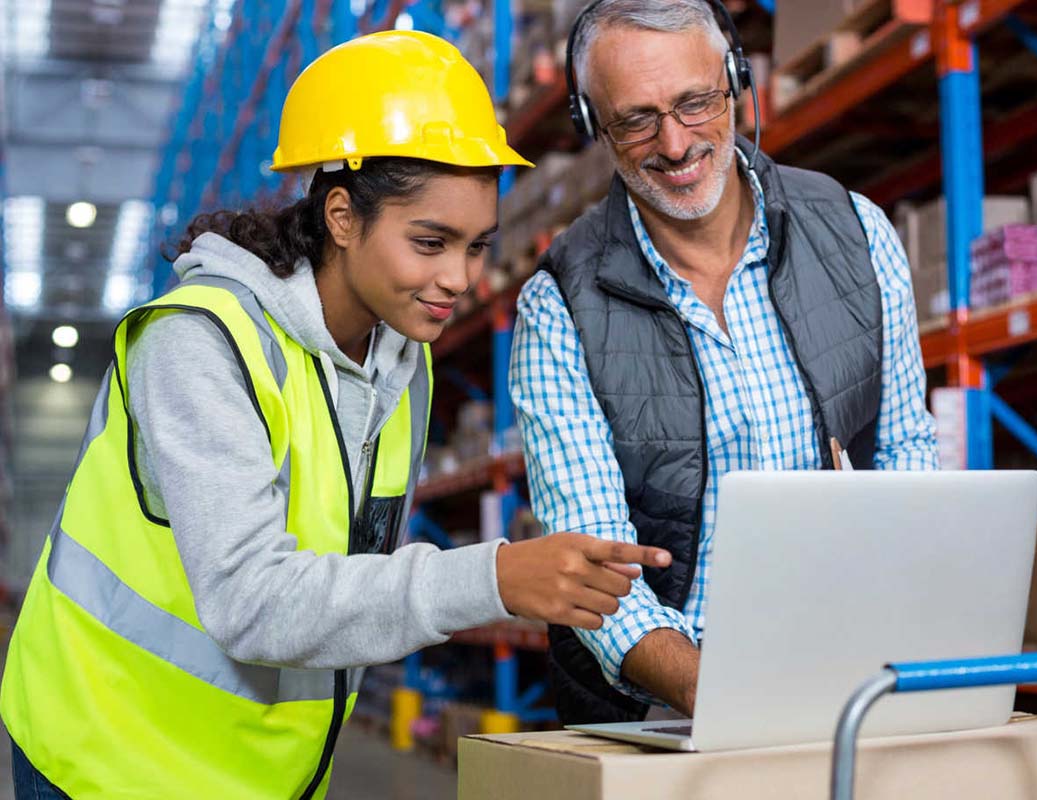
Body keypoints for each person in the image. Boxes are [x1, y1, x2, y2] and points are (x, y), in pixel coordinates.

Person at [1, 30, 669, 799]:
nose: (457, 278)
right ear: (343, 217)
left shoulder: (401, 358)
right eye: (430, 241)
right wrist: (493, 577)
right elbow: (252, 602)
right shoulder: (199, 342)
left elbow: (345, 573)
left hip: (264, 770)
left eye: (478, 245)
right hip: (107, 754)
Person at [510, 0, 939, 726]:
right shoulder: (559, 307)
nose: (675, 144)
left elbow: (905, 451)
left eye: (695, 102)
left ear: (737, 81)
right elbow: (594, 572)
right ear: (594, 127)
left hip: (852, 681)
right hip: (661, 709)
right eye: (636, 119)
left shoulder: (856, 233)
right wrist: (720, 693)